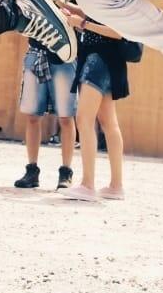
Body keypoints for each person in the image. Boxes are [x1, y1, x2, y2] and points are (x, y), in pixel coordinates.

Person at [13, 0, 78, 190]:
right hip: (37, 53)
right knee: (32, 115)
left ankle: (66, 173)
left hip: (64, 56)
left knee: (66, 116)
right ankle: (32, 171)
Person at [60, 29, 142, 202]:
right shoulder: (115, 9)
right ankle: (116, 186)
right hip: (108, 61)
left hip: (97, 61)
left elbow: (117, 32)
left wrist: (83, 23)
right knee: (109, 122)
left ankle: (87, 185)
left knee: (84, 120)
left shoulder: (106, 9)